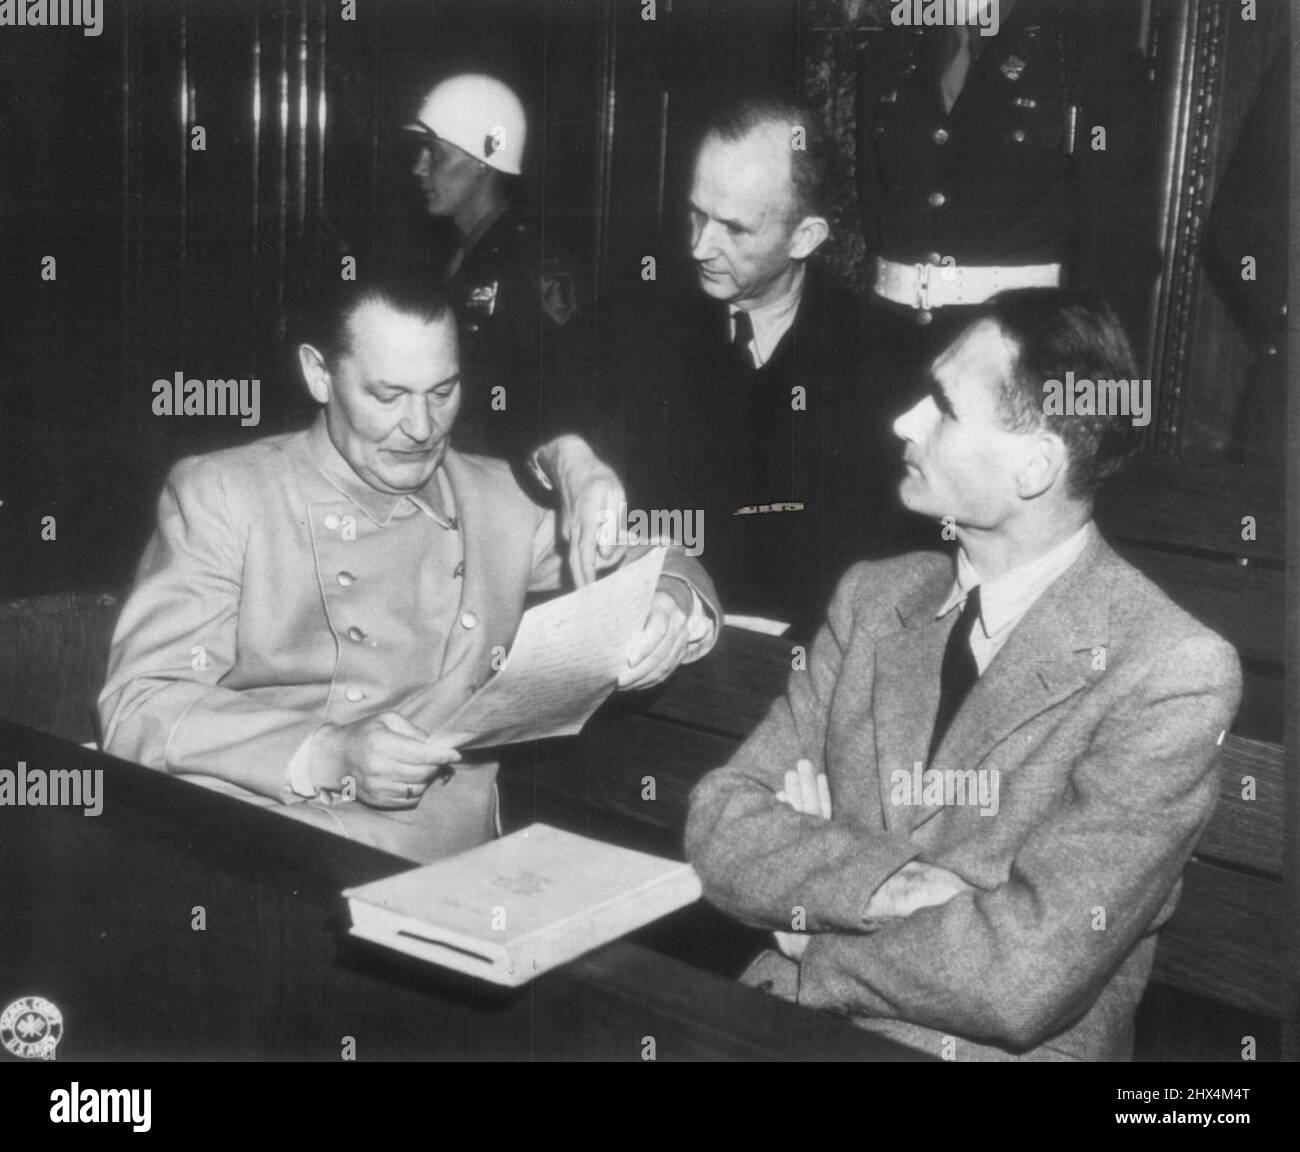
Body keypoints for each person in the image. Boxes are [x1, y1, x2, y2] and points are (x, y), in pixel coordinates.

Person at [685, 289, 1241, 1061]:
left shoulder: (1169, 671)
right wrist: (902, 888)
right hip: (784, 1028)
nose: (903, 421)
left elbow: (1022, 975)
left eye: (942, 406)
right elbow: (720, 822)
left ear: (1035, 466)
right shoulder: (875, 599)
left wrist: (815, 924)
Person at [99, 268, 719, 864]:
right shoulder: (228, 494)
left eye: (442, 392)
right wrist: (329, 754)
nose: (421, 428)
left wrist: (670, 602)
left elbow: (654, 552)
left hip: (436, 858)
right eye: (387, 395)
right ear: (319, 374)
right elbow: (140, 706)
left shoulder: (497, 499)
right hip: (265, 838)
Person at [619, 96, 907, 638]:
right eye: (696, 214)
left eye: (734, 228)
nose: (700, 246)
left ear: (806, 238)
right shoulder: (646, 318)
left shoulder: (883, 362)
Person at [856, 0, 1158, 379]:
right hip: (894, 355)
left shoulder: (1085, 51)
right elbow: (873, 224)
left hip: (1021, 364)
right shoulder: (890, 50)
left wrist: (1079, 390)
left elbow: (1119, 248)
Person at [405, 74, 618, 583]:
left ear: (483, 162)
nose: (420, 168)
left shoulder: (537, 265)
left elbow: (571, 398)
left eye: (436, 153)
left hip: (513, 511)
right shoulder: (451, 253)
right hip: (452, 496)